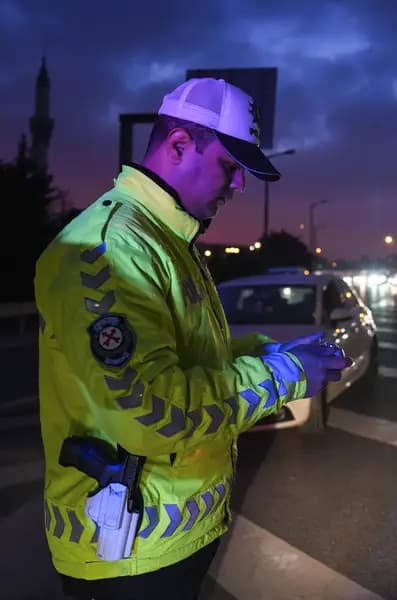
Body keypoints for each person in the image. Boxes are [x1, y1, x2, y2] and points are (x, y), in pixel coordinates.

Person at [34, 78, 351, 599]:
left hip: (164, 538)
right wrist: (287, 375)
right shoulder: (108, 250)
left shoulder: (165, 239)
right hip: (127, 558)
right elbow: (154, 410)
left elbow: (182, 357)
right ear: (179, 145)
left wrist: (263, 353)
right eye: (231, 166)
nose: (240, 186)